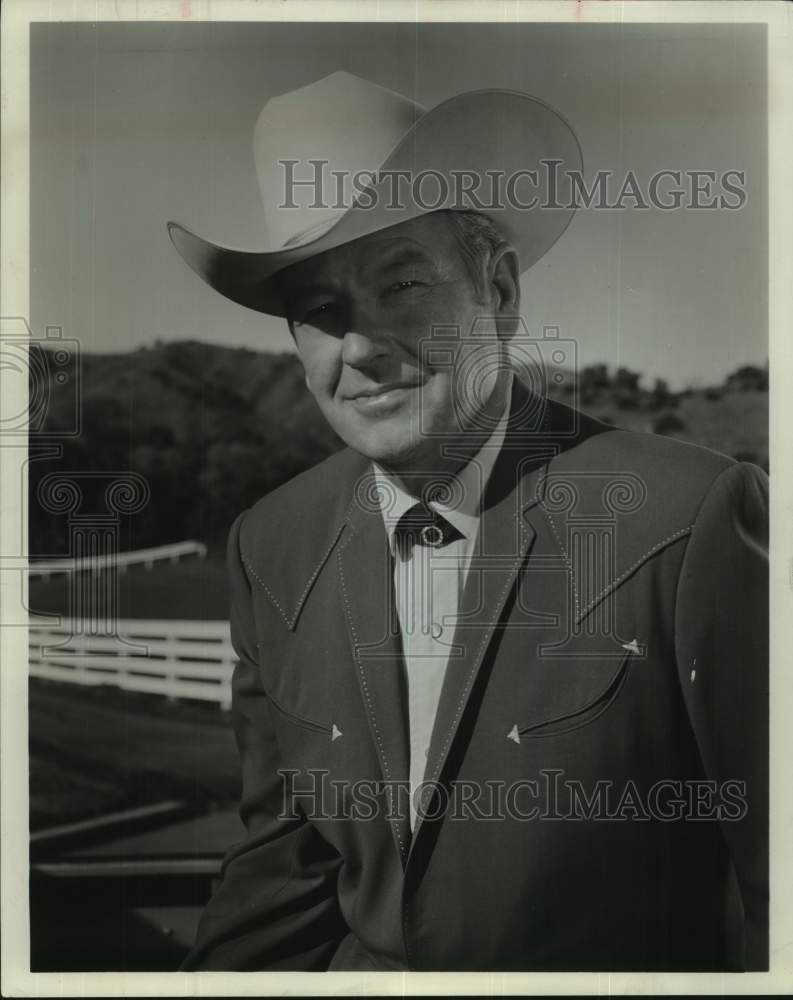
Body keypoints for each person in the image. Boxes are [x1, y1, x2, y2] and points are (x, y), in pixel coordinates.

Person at [168, 71, 768, 972]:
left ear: (498, 290)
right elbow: (280, 872)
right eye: (321, 313)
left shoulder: (685, 517)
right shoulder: (272, 542)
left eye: (402, 283)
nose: (362, 348)